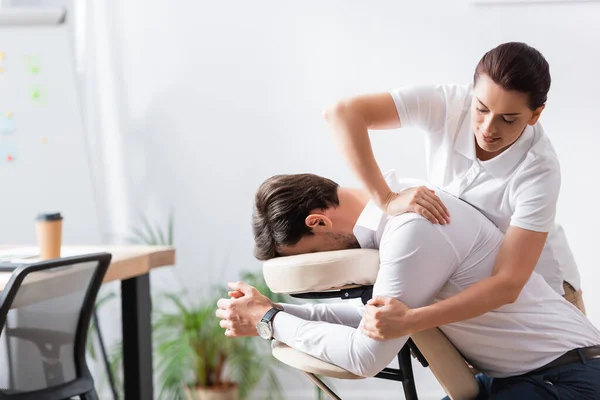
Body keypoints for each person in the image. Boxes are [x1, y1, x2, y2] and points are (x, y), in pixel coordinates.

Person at [216, 172, 600, 399]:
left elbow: (366, 356)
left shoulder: (411, 227)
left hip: (568, 378)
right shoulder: (390, 222)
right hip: (526, 378)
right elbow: (370, 318)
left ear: (318, 222)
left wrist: (269, 320)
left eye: (310, 253)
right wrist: (273, 312)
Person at [321, 42, 586, 344]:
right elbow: (342, 113)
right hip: (473, 285)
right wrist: (386, 199)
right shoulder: (448, 103)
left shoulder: (539, 170)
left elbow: (509, 283)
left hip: (543, 292)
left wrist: (411, 320)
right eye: (482, 108)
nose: (488, 127)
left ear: (535, 115)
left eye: (508, 119)